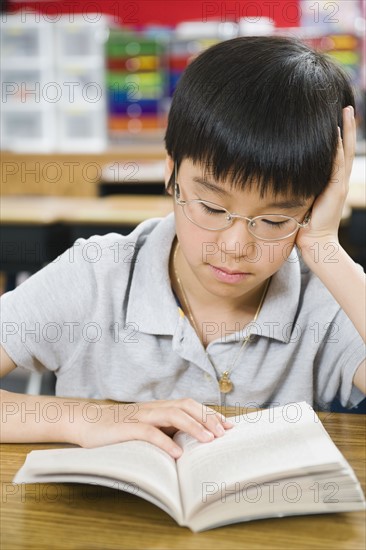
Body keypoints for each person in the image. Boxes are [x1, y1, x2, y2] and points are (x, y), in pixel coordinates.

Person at [1, 36, 365, 457]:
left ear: (314, 206)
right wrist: (85, 418)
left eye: (274, 220)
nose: (235, 245)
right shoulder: (96, 275)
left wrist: (324, 248)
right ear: (172, 172)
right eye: (211, 207)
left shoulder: (326, 301)